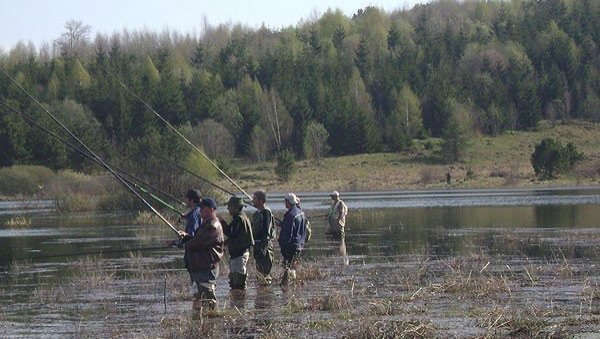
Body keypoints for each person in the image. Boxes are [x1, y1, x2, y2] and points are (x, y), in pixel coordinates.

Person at [184, 197, 224, 309]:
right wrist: (184, 239)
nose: (200, 210)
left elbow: (199, 242)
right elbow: (197, 239)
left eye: (203, 208)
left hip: (207, 267)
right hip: (202, 267)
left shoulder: (212, 225)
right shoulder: (206, 223)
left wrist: (184, 244)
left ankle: (211, 324)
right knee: (202, 301)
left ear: (211, 209)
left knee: (209, 303)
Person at [220, 196, 254, 292]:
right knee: (236, 281)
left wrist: (222, 222)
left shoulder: (239, 219)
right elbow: (233, 235)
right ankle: (239, 303)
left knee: (238, 283)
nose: (228, 209)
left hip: (239, 254)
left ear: (235, 207)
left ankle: (239, 304)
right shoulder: (242, 217)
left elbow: (231, 233)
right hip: (240, 253)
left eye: (229, 207)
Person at [277, 192, 309, 286]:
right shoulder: (301, 213)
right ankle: (292, 286)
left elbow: (288, 234)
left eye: (285, 201)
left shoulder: (290, 215)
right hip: (299, 245)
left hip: (291, 246)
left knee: (288, 268)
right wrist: (282, 224)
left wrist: (282, 245)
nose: (284, 203)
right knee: (292, 267)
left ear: (288, 202)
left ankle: (288, 287)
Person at [251, 190, 275, 285]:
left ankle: (266, 296)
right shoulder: (258, 212)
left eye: (255, 199)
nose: (253, 200)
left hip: (264, 245)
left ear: (261, 200)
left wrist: (262, 245)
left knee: (265, 272)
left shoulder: (266, 212)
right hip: (258, 244)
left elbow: (266, 230)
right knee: (259, 272)